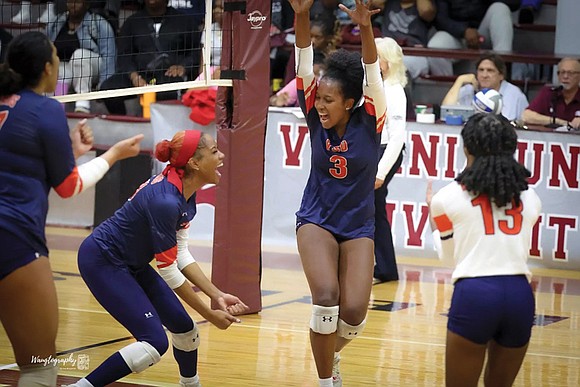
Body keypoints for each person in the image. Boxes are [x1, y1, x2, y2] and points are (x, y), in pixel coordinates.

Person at [0, 31, 143, 387]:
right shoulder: (46, 108)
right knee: (38, 365)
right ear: (48, 68)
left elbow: (19, 160)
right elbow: (67, 187)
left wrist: (72, 154)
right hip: (13, 239)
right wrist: (112, 155)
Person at [67, 130, 249, 387]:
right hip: (103, 260)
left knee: (186, 331)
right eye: (215, 151)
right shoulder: (165, 201)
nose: (221, 156)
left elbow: (181, 252)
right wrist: (209, 314)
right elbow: (169, 270)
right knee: (154, 343)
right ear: (194, 163)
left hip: (133, 263)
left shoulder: (185, 187)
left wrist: (216, 295)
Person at [288, 0, 386, 386]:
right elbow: (302, 59)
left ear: (350, 102)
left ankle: (326, 352)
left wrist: (364, 28)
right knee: (326, 296)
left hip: (359, 224)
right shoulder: (313, 111)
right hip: (317, 218)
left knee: (355, 314)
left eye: (330, 101)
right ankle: (326, 380)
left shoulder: (373, 117)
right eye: (320, 99)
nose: (321, 105)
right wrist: (301, 15)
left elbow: (373, 73)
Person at [427, 113, 541, 387]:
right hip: (520, 296)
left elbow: (448, 258)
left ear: (467, 147)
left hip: (476, 294)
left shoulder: (446, 197)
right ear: (510, 148)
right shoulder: (530, 196)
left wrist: (436, 222)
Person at [99, 0, 202, 115]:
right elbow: (124, 55)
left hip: (168, 75)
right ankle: (124, 123)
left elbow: (195, 52)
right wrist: (134, 76)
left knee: (167, 91)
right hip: (139, 74)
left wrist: (183, 67)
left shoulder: (185, 21)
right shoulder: (132, 22)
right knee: (108, 89)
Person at [372, 37, 407, 284]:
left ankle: (386, 267)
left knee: (373, 208)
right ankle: (384, 267)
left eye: (376, 55)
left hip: (385, 153)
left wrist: (381, 172)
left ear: (387, 61)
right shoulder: (374, 85)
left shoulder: (395, 91)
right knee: (373, 209)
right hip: (373, 150)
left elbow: (397, 138)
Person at [46, 0, 117, 113]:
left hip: (93, 66)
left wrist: (105, 86)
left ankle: (82, 103)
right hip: (68, 68)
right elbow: (47, 50)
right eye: (70, 1)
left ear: (86, 4)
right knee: (59, 69)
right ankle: (56, 107)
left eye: (78, 2)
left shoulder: (99, 23)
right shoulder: (56, 23)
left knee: (80, 55)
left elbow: (109, 55)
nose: (73, 5)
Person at [427, 0, 520, 76]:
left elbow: (515, 3)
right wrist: (463, 31)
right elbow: (441, 19)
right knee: (435, 47)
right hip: (455, 35)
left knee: (500, 8)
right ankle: (449, 94)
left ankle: (500, 84)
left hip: (484, 32)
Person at [441, 54, 529, 121]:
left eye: (490, 70)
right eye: (481, 70)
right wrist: (459, 81)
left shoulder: (515, 95)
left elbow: (525, 121)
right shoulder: (468, 90)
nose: (484, 75)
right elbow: (446, 113)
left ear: (501, 75)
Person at [372, 0, 436, 80]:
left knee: (399, 66)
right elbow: (374, 3)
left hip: (414, 54)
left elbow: (426, 11)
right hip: (388, 51)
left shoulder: (423, 6)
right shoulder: (389, 3)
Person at [521, 58, 580, 130]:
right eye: (562, 72)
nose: (565, 77)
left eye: (570, 73)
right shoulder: (549, 92)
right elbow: (526, 116)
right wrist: (559, 122)